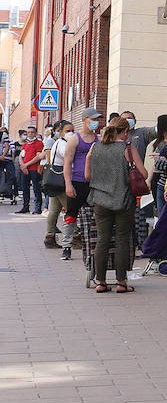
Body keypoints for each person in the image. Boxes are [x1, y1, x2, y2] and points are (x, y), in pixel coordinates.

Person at [85, 116, 149, 294]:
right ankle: (121, 282)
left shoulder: (95, 146)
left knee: (102, 240)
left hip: (100, 200)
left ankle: (101, 282)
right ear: (126, 131)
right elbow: (142, 173)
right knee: (122, 240)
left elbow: (87, 176)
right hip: (123, 200)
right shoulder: (127, 148)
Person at [62, 109, 102, 262]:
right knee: (71, 215)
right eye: (94, 119)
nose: (96, 122)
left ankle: (90, 245)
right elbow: (67, 163)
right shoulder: (75, 139)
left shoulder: (97, 139)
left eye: (97, 120)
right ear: (85, 119)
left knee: (93, 215)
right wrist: (68, 184)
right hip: (77, 181)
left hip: (92, 183)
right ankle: (66, 246)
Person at [43, 121, 72, 248]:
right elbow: (69, 159)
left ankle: (49, 237)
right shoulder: (62, 144)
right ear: (60, 132)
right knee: (71, 210)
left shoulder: (58, 143)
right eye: (67, 131)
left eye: (72, 130)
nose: (71, 133)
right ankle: (75, 235)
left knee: (54, 210)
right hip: (61, 180)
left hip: (54, 179)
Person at [18, 127, 46, 215]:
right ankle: (25, 206)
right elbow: (20, 156)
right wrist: (23, 166)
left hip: (34, 169)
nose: (30, 134)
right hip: (25, 169)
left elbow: (38, 157)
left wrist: (26, 165)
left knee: (36, 188)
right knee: (25, 188)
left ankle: (37, 208)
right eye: (28, 132)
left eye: (32, 132)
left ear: (35, 133)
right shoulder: (25, 144)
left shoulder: (39, 143)